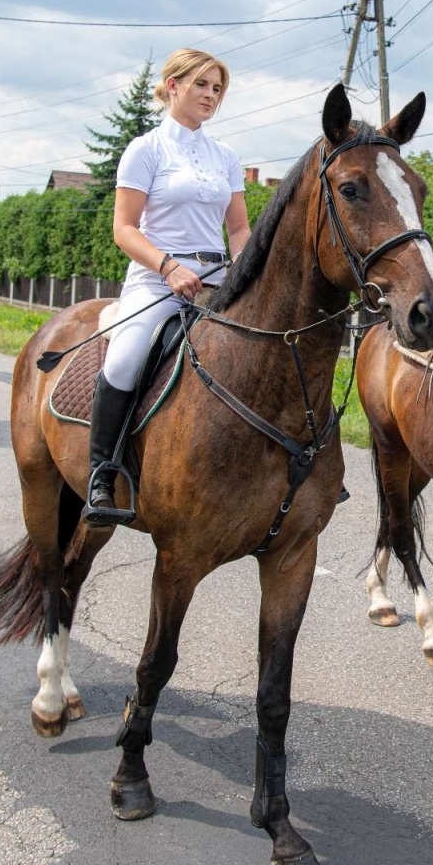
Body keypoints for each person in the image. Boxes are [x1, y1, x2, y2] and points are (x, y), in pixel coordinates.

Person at [83, 48, 251, 524]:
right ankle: (102, 474)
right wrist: (169, 267)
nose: (211, 96)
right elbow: (124, 228)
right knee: (125, 358)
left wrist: (245, 268)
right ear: (173, 85)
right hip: (158, 280)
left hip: (219, 278)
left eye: (217, 89)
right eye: (202, 85)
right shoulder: (146, 149)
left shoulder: (226, 156)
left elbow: (238, 229)